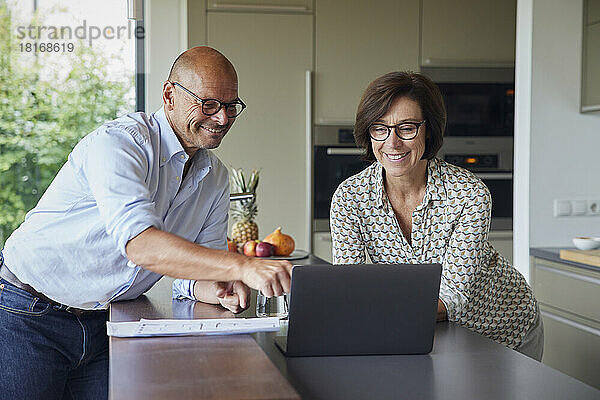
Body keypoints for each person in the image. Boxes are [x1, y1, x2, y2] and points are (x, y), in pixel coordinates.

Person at [0, 46, 293, 399]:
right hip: (27, 312)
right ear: (169, 95)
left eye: (232, 107)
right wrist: (242, 266)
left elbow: (196, 271)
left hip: (106, 322)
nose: (222, 118)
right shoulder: (120, 143)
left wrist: (217, 287)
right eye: (210, 104)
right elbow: (141, 246)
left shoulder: (214, 177)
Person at [330, 71, 543, 360]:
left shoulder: (469, 195)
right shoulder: (350, 198)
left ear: (428, 130)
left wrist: (378, 313)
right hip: (428, 333)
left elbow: (452, 298)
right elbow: (348, 286)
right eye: (380, 128)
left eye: (407, 128)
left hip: (505, 330)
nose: (392, 143)